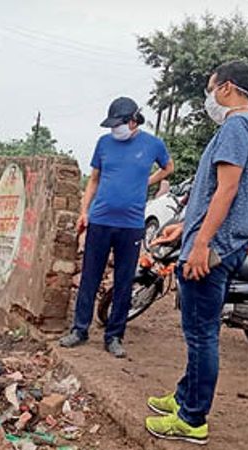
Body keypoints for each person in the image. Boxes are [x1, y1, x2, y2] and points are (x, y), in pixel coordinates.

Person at [144, 60, 248, 444]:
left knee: (201, 334)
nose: (209, 97)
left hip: (215, 248)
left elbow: (227, 189)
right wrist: (188, 226)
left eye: (211, 88)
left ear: (227, 87)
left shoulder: (235, 125)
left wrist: (201, 244)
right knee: (202, 329)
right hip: (226, 241)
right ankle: (185, 397)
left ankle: (192, 418)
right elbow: (230, 191)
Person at [59, 97, 174, 358]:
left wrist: (148, 181)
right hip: (100, 221)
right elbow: (94, 180)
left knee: (123, 282)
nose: (115, 130)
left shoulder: (152, 144)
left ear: (133, 121)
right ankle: (80, 330)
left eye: (119, 124)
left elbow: (169, 167)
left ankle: (114, 336)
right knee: (90, 276)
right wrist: (84, 211)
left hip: (131, 225)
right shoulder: (104, 144)